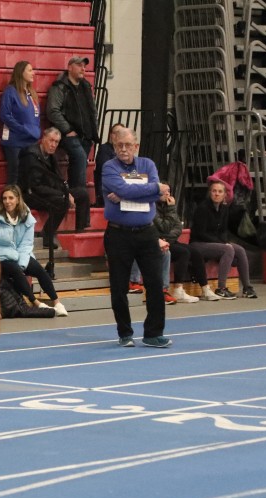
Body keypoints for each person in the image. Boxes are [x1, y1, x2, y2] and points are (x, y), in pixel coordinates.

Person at [101, 128, 171, 348]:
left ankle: (153, 333)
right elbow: (146, 190)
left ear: (136, 146)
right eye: (119, 145)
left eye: (128, 145)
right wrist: (151, 189)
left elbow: (157, 195)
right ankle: (125, 333)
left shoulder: (148, 165)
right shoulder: (109, 167)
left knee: (155, 283)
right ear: (114, 147)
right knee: (119, 286)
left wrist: (126, 194)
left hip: (147, 233)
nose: (123, 149)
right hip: (118, 234)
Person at [0, 185, 68, 316]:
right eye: (4, 198)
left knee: (39, 270)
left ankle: (57, 302)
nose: (7, 201)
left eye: (11, 198)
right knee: (15, 269)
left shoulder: (27, 217)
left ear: (17, 199)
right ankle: (36, 303)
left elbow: (26, 244)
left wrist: (22, 263)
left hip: (20, 255)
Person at [18, 127, 91, 250]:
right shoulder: (31, 155)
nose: (53, 145)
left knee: (82, 194)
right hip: (30, 195)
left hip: (49, 192)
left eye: (56, 142)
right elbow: (35, 187)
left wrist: (66, 192)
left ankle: (80, 231)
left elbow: (59, 179)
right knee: (62, 201)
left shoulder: (51, 155)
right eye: (51, 140)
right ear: (43, 139)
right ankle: (47, 235)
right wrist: (62, 195)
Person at [189, 181, 258, 300]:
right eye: (214, 191)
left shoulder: (224, 209)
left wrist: (224, 241)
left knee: (240, 250)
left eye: (220, 191)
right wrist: (222, 243)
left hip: (215, 242)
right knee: (228, 249)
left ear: (225, 195)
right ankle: (221, 288)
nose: (216, 194)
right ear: (210, 193)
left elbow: (223, 231)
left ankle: (247, 288)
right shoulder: (202, 208)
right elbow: (200, 233)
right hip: (198, 243)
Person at [46, 55, 99, 191]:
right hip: (68, 134)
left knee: (79, 165)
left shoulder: (86, 86)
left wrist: (94, 130)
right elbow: (52, 111)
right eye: (79, 65)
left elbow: (92, 110)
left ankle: (72, 195)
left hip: (86, 134)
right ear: (70, 67)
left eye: (84, 66)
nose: (83, 69)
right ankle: (80, 196)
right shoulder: (59, 87)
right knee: (80, 159)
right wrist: (68, 129)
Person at [0, 60, 41, 185]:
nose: (33, 73)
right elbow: (5, 115)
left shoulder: (32, 93)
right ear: (21, 72)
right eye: (30, 70)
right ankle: (10, 197)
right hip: (15, 141)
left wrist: (36, 131)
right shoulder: (10, 91)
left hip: (31, 140)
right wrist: (22, 129)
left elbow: (36, 116)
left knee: (30, 175)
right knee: (14, 175)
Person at [94, 123, 126, 207]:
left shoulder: (125, 151)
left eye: (121, 133)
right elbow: (105, 168)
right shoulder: (104, 149)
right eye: (115, 133)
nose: (118, 136)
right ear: (111, 135)